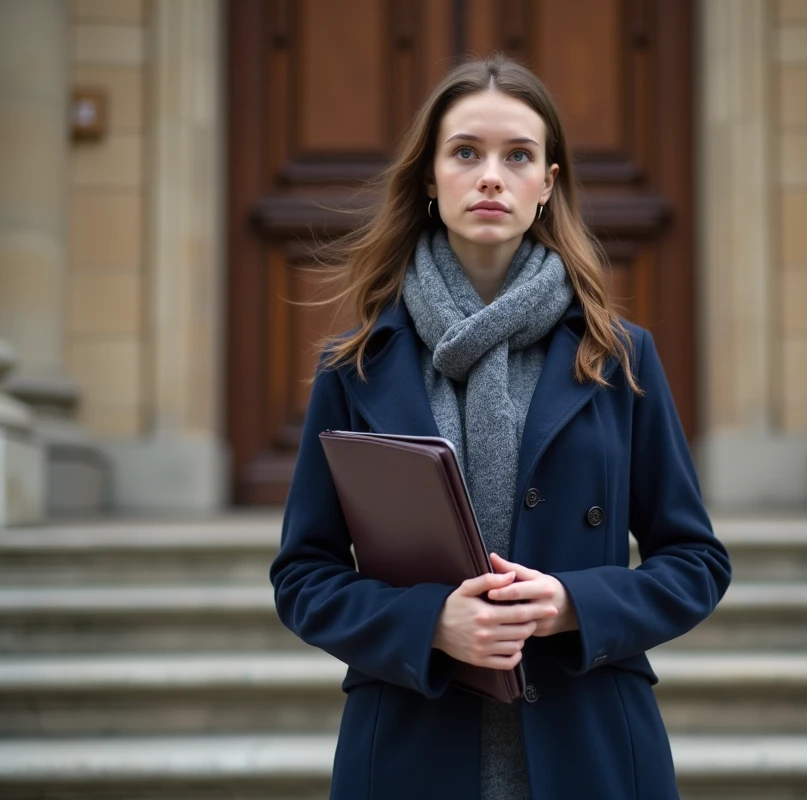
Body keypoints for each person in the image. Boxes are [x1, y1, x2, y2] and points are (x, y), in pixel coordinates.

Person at [270, 54, 732, 800]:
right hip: (411, 751)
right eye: (465, 153)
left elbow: (695, 562)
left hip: (590, 748)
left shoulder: (618, 358)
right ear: (430, 177)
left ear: (548, 183)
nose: (492, 176)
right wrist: (428, 624)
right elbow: (303, 578)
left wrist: (573, 606)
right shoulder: (354, 366)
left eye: (518, 155)